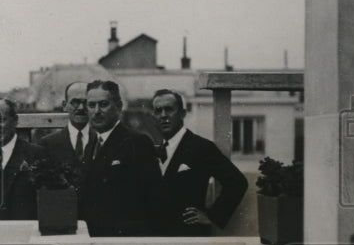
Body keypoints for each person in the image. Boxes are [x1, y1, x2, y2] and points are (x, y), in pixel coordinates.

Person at [151, 88, 248, 236]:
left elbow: (237, 182)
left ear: (182, 113)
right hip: (159, 238)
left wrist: (211, 216)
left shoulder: (201, 147)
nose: (163, 115)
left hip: (190, 236)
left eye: (169, 109)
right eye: (158, 111)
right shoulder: (155, 151)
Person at [79, 80, 166, 236]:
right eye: (91, 105)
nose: (97, 111)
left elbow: (154, 200)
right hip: (95, 240)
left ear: (118, 106)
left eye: (103, 104)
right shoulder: (90, 146)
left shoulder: (137, 142)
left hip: (125, 241)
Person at [0, 97, 46, 220]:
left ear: (15, 121)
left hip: (23, 232)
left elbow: (46, 202)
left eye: (1, 120)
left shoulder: (35, 154)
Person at [38, 80, 97, 169]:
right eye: (75, 102)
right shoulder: (48, 144)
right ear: (64, 105)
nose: (81, 108)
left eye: (86, 102)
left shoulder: (101, 140)